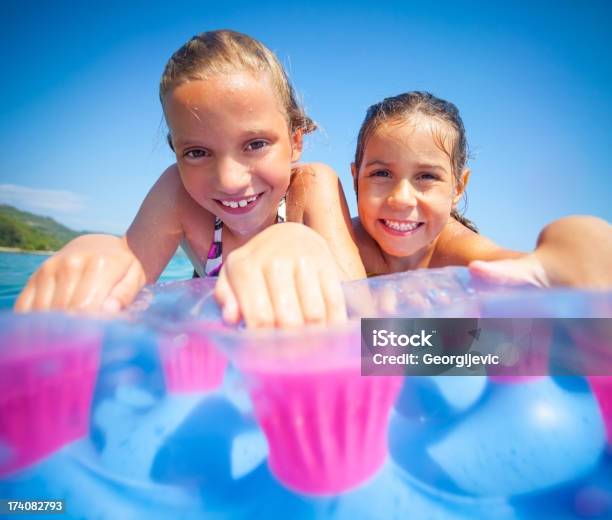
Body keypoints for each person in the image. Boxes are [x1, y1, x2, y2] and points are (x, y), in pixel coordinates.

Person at [15, 30, 365, 327]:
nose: (228, 180)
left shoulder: (313, 186)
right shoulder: (179, 194)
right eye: (197, 152)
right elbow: (129, 264)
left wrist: (300, 239)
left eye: (255, 144)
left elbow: (374, 324)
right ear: (176, 152)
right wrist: (101, 255)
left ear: (295, 142)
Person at [350, 91, 612, 287]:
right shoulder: (344, 240)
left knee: (583, 234)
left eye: (426, 176)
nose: (402, 199)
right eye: (381, 174)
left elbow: (592, 247)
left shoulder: (460, 253)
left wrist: (539, 270)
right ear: (355, 179)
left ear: (458, 188)